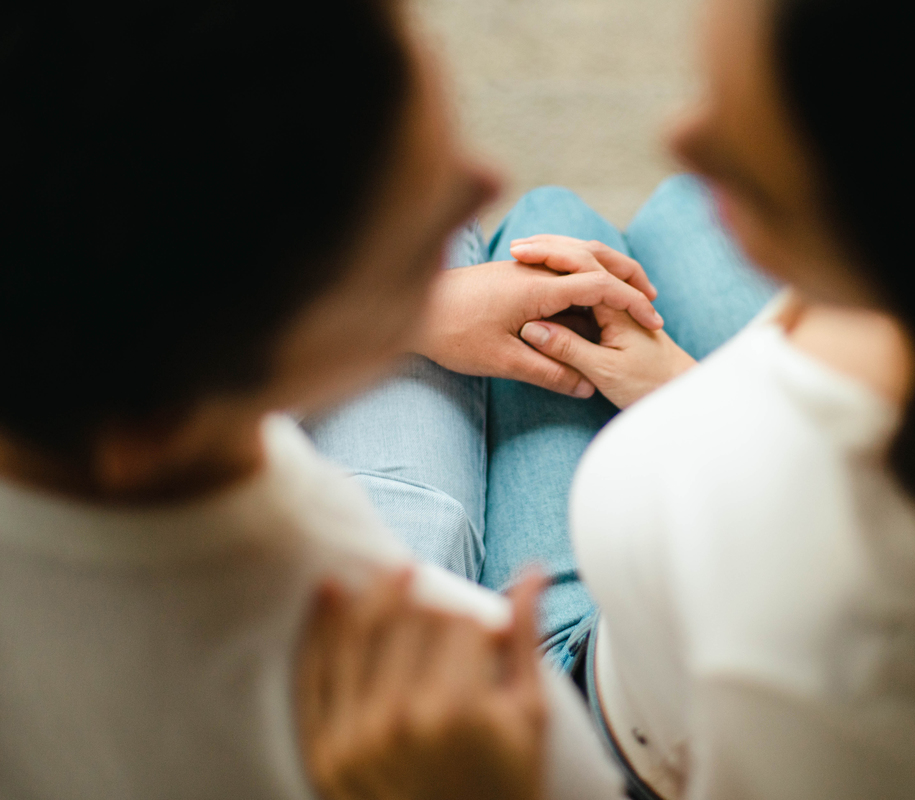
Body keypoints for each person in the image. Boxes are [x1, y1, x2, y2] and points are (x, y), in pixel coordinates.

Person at [308, 0, 915, 797]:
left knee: (520, 226)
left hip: (591, 719)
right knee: (621, 224)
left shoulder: (809, 641)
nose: (683, 133)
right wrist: (677, 383)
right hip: (699, 573)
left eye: (759, 132)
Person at [0, 0, 664, 797]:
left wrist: (400, 308)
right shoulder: (454, 712)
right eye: (400, 235)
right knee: (555, 219)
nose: (481, 180)